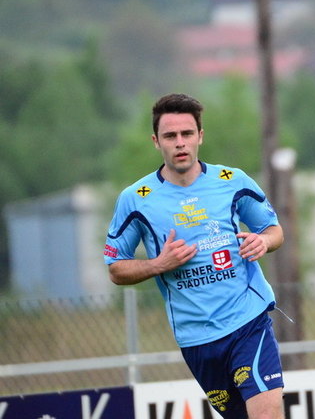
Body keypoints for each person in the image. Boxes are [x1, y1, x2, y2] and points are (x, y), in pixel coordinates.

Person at [103, 93, 285, 419]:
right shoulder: (136, 199)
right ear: (156, 141)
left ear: (200, 136)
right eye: (170, 136)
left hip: (248, 321)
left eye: (187, 133)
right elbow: (116, 268)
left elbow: (274, 230)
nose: (180, 142)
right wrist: (159, 264)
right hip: (196, 338)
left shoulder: (232, 181)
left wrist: (263, 241)